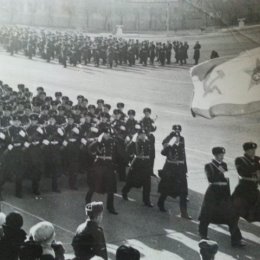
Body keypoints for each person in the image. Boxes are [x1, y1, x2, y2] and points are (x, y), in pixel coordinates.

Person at [198, 147, 244, 247]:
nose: (222, 156)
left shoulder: (223, 164)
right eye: (220, 155)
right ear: (215, 155)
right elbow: (211, 179)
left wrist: (228, 194)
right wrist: (219, 171)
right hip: (213, 193)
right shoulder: (209, 166)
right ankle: (203, 236)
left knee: (231, 216)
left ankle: (236, 240)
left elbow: (225, 178)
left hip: (223, 192)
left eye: (223, 154)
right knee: (206, 216)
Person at [157, 125, 191, 219]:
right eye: (175, 130)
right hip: (170, 168)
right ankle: (160, 202)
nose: (177, 132)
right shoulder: (168, 139)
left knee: (183, 191)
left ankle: (184, 212)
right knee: (167, 188)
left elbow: (183, 154)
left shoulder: (182, 139)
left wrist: (185, 169)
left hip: (180, 168)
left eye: (178, 130)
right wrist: (171, 143)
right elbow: (163, 153)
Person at [86, 127, 120, 215]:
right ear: (103, 134)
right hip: (100, 164)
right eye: (106, 133)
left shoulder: (113, 142)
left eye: (109, 134)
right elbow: (89, 149)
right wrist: (95, 154)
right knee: (94, 184)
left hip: (109, 165)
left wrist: (115, 165)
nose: (108, 135)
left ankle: (110, 207)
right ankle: (87, 200)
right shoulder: (98, 141)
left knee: (111, 186)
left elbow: (115, 154)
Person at [122, 127, 153, 207]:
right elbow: (127, 150)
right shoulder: (135, 143)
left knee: (147, 183)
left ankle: (146, 201)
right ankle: (124, 191)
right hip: (137, 165)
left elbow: (151, 154)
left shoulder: (148, 142)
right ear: (138, 135)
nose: (143, 136)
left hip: (146, 165)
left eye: (144, 134)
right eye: (141, 134)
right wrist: (130, 160)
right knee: (132, 182)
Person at [232, 142, 260, 222]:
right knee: (236, 210)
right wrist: (255, 175)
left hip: (254, 189)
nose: (253, 152)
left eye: (254, 150)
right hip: (243, 189)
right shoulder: (240, 160)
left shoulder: (257, 160)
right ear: (246, 151)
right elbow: (242, 173)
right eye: (251, 150)